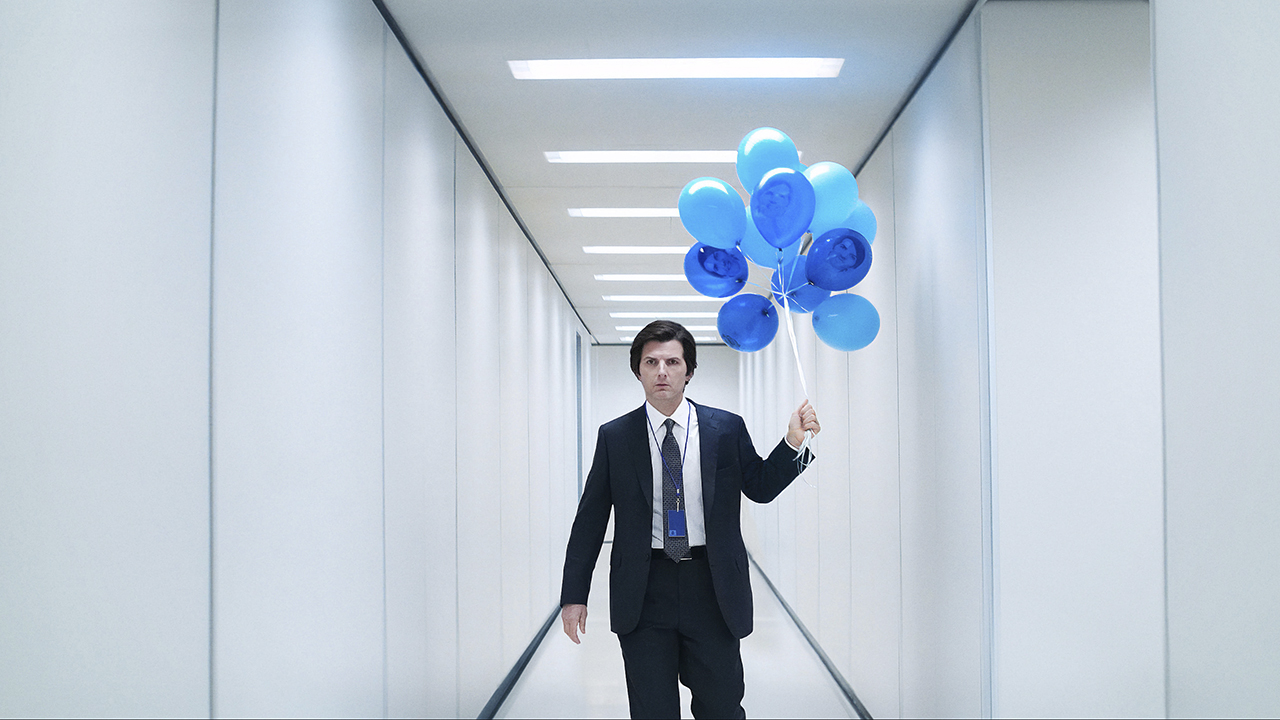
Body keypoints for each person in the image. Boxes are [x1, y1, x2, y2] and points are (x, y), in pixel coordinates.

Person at [559, 320, 820, 719]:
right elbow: (590, 520)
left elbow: (760, 487)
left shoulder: (725, 429)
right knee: (652, 710)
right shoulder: (615, 436)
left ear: (689, 371)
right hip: (644, 590)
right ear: (638, 370)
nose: (662, 371)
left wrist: (793, 444)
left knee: (721, 706)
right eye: (651, 362)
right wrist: (574, 595)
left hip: (711, 586)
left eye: (672, 361)